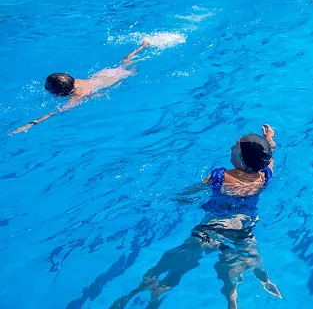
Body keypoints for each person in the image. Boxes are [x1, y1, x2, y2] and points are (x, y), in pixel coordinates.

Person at [113, 125, 281, 309]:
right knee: (231, 270)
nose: (231, 148)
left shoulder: (219, 176)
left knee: (176, 261)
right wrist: (270, 141)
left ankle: (148, 288)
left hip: (213, 228)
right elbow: (269, 161)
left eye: (235, 147)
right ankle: (232, 300)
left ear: (240, 160)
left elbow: (189, 194)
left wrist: (176, 198)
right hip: (244, 228)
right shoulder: (263, 177)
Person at [12, 39, 153, 135]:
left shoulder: (78, 95)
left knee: (127, 67)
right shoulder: (74, 81)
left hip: (119, 77)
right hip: (105, 74)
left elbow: (56, 112)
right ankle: (142, 46)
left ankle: (143, 47)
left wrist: (30, 124)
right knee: (124, 62)